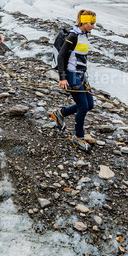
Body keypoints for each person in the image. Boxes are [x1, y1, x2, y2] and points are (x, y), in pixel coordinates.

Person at [50, 10, 97, 151]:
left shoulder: (84, 35)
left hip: (81, 75)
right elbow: (61, 56)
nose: (93, 26)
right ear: (84, 22)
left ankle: (61, 113)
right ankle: (78, 137)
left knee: (89, 105)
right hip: (72, 75)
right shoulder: (73, 36)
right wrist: (62, 78)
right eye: (91, 23)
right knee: (83, 106)